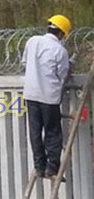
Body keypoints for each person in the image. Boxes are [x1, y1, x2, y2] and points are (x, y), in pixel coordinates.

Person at [21, 14, 73, 180]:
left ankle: (39, 166)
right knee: (52, 133)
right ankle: (52, 168)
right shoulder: (59, 50)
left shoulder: (32, 41)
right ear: (62, 33)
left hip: (31, 94)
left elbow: (24, 63)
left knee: (35, 132)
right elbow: (62, 74)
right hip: (49, 97)